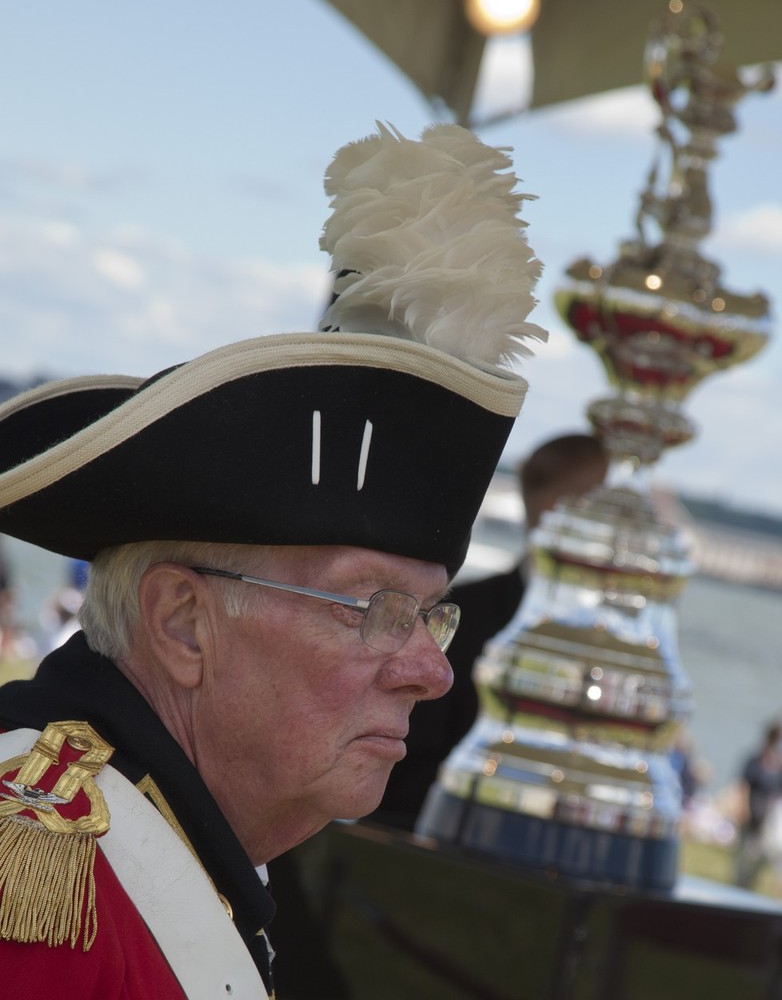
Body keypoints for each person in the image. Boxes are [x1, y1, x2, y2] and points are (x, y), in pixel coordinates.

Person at [0, 121, 543, 999]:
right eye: (370, 606)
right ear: (183, 624)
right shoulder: (39, 882)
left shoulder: (171, 845)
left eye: (429, 614)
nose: (430, 671)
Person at [369, 432, 609, 830]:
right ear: (558, 511)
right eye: (605, 504)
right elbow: (411, 760)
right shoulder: (458, 614)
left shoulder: (607, 632)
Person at [734, 721, 782, 890]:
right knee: (744, 858)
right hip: (750, 814)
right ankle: (738, 886)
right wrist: (743, 807)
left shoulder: (778, 765)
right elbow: (744, 785)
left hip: (766, 818)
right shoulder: (754, 760)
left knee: (758, 857)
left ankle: (749, 887)